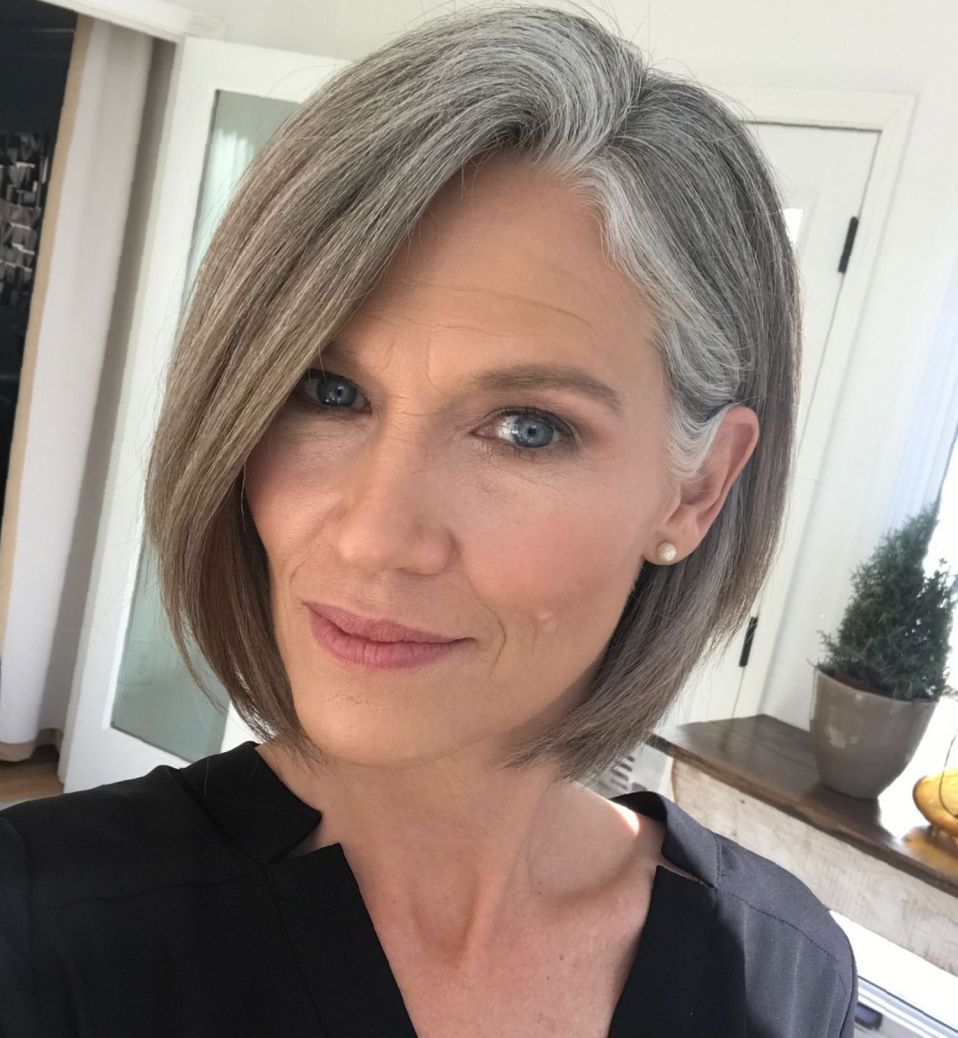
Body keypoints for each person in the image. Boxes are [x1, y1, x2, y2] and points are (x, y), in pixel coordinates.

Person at [0, 4, 858, 1035]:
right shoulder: (36, 935)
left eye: (527, 428)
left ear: (696, 489)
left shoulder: (784, 972)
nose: (374, 536)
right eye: (327, 392)